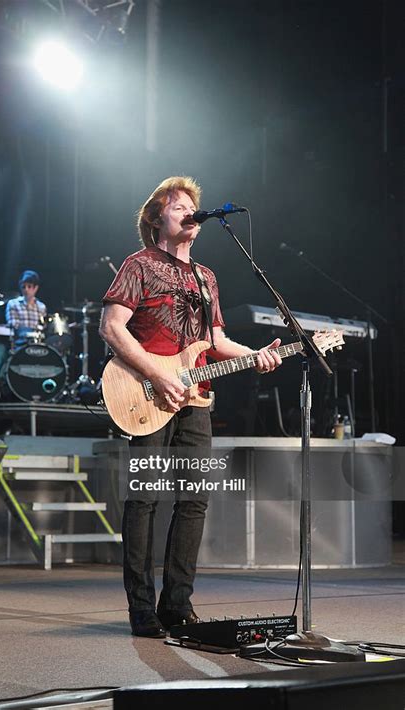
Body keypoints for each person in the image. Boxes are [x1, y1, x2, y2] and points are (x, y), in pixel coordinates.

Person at [99, 176, 282, 638]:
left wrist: (256, 356)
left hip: (194, 398)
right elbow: (112, 327)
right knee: (144, 499)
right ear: (156, 219)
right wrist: (159, 374)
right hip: (145, 390)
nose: (188, 212)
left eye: (191, 206)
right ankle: (141, 609)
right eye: (177, 206)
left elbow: (215, 342)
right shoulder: (138, 264)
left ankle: (176, 605)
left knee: (194, 500)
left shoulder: (207, 277)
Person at [6, 270, 47, 349]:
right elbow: (14, 326)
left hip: (37, 345)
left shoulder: (42, 307)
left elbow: (43, 327)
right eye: (23, 287)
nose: (26, 290)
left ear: (35, 288)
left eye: (29, 286)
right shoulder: (13, 304)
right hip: (19, 345)